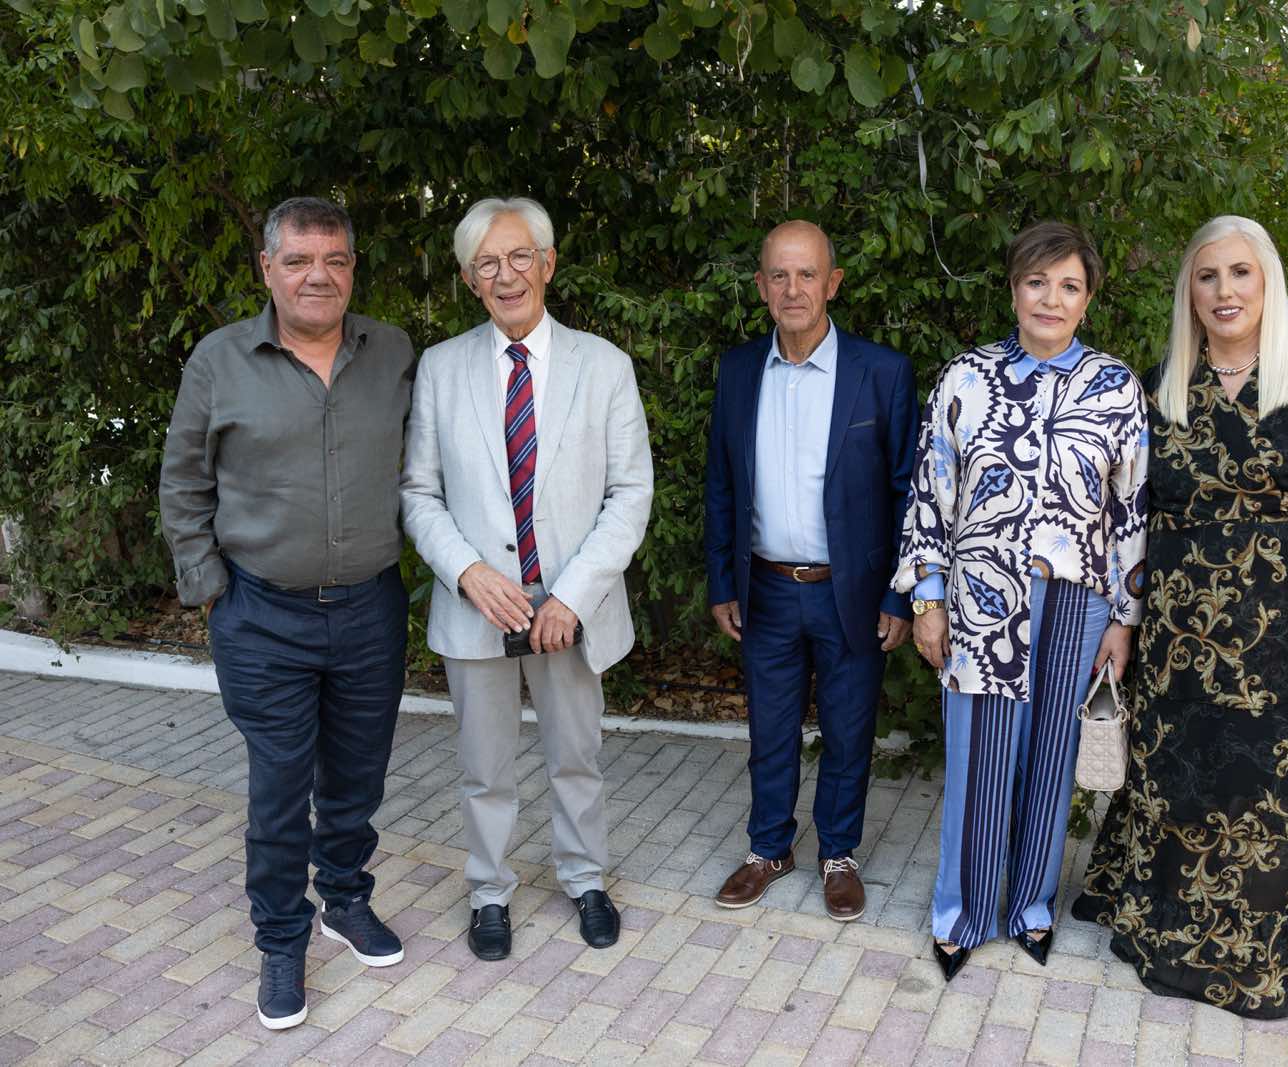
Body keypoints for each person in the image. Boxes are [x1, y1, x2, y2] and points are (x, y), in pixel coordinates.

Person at [1070, 215, 1288, 1018]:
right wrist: (1122, 621)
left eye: (1240, 273)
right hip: (1178, 644)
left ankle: (1260, 968)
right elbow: (1131, 518)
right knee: (1181, 791)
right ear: (1189, 292)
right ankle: (1170, 948)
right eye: (1207, 275)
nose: (1224, 290)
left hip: (1286, 647)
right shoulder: (1162, 387)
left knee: (1270, 803)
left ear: (1268, 283)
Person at [159, 197, 416, 1030]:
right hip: (261, 614)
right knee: (278, 788)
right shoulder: (220, 359)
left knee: (358, 777)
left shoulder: (393, 352)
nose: (318, 276)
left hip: (370, 610)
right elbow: (183, 480)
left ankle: (345, 897)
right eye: (299, 259)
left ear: (353, 269)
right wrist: (209, 587)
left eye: (335, 260)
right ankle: (280, 937)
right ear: (267, 267)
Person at [895, 220, 1148, 982]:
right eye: (1037, 282)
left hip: (1078, 603)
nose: (1051, 298)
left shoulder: (1115, 387)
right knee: (978, 759)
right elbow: (930, 491)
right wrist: (928, 599)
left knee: (1050, 759)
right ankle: (961, 913)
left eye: (1069, 286)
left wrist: (1126, 619)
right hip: (981, 598)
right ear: (1013, 289)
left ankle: (1031, 906)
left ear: (1087, 299)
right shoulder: (964, 379)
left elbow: (1131, 511)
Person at [400, 196, 652, 958]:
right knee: (483, 768)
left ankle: (585, 877)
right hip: (478, 608)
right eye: (487, 263)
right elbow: (419, 493)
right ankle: (488, 890)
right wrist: (467, 571)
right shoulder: (440, 368)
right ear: (469, 279)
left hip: (570, 610)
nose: (505, 275)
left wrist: (572, 595)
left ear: (547, 264)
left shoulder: (604, 366)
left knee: (577, 756)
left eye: (518, 258)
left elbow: (630, 493)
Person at [703, 220, 919, 921]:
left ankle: (838, 854)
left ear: (833, 284)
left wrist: (900, 594)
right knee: (769, 730)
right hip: (765, 587)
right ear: (761, 286)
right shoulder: (739, 370)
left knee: (849, 730)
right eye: (779, 275)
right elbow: (721, 483)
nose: (792, 289)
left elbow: (908, 492)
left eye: (807, 275)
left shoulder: (881, 372)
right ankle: (769, 847)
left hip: (850, 592)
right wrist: (722, 581)